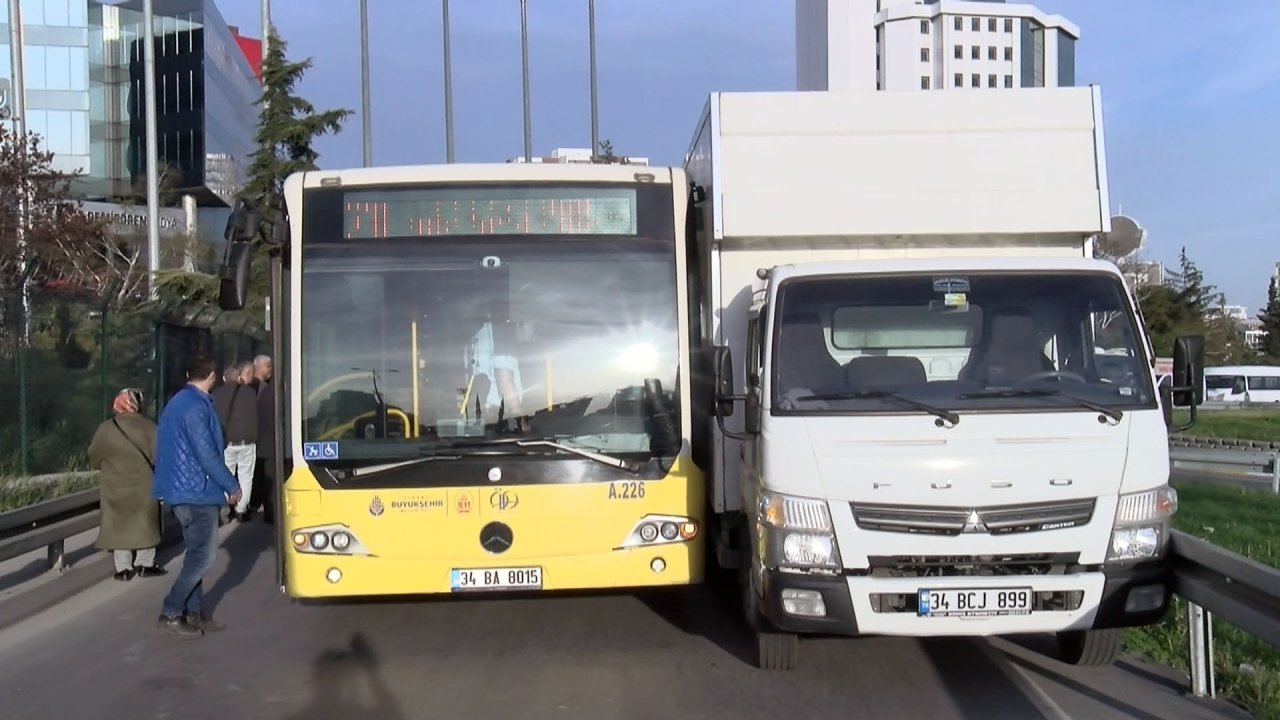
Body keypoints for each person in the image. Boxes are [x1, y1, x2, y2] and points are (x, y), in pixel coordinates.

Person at [152, 354, 243, 639]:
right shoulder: (195, 408)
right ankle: (171, 610)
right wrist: (231, 485)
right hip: (196, 491)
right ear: (213, 376)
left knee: (196, 554)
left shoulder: (179, 403)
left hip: (182, 489)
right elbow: (206, 454)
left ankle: (193, 612)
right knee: (204, 557)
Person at [88, 388, 165, 581]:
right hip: (143, 484)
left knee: (118, 524)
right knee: (146, 523)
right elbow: (159, 458)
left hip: (114, 486)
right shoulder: (150, 427)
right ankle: (145, 564)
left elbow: (94, 458)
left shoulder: (105, 429)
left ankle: (123, 568)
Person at [212, 360, 258, 521]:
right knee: (246, 475)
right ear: (238, 377)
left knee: (226, 473)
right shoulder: (250, 393)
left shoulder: (216, 394)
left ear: (224, 378)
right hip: (247, 440)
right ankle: (241, 509)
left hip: (226, 441)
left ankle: (226, 507)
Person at [251, 355, 276, 523]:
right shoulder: (261, 389)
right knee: (268, 479)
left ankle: (257, 504)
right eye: (269, 367)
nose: (270, 371)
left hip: (259, 440)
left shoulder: (260, 388)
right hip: (264, 440)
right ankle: (268, 510)